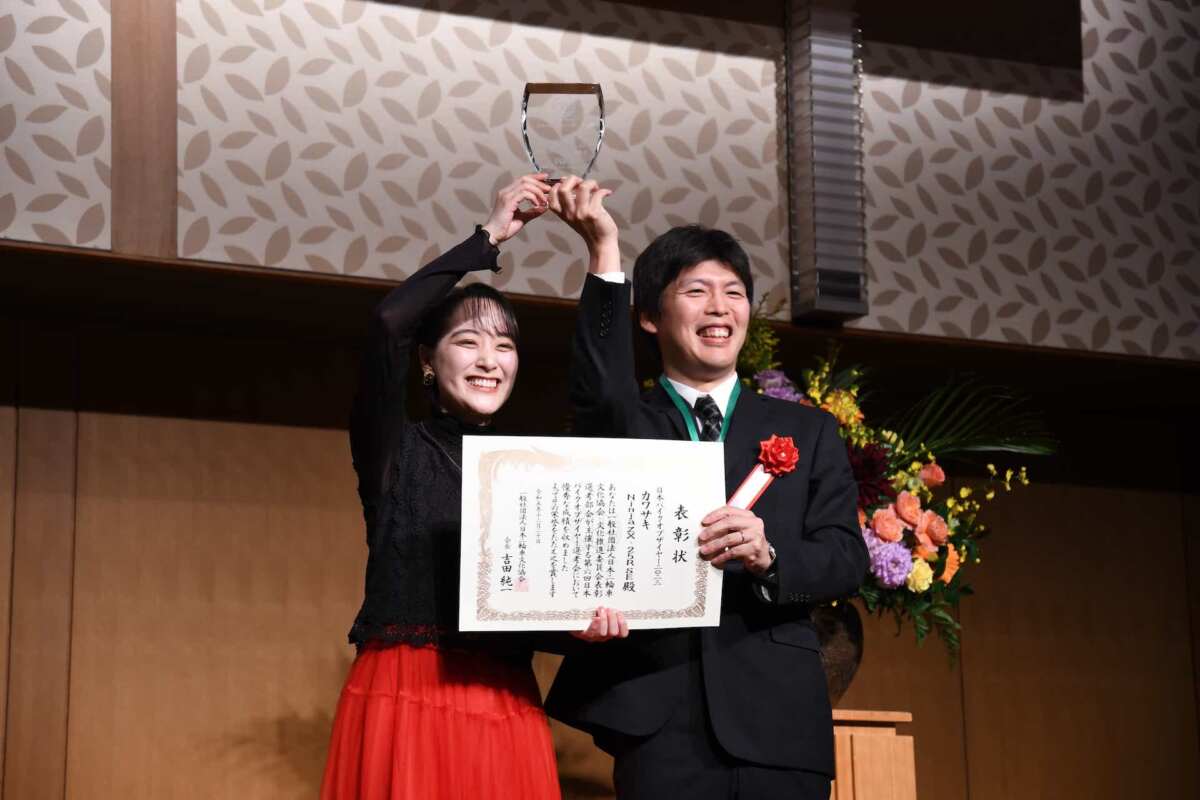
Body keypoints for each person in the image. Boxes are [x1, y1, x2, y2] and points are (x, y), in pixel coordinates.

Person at [544, 177, 869, 799]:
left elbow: (845, 559)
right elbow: (598, 385)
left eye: (734, 292)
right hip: (659, 720)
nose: (720, 307)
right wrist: (604, 251)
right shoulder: (627, 422)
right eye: (695, 291)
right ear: (649, 316)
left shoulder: (808, 430)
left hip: (779, 719)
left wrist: (770, 556)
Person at [320, 174, 626, 800]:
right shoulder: (394, 449)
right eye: (468, 342)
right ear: (428, 361)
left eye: (504, 346)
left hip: (503, 698)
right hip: (407, 694)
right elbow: (388, 323)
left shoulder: (531, 470)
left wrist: (578, 628)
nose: (490, 360)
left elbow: (526, 607)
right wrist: (488, 237)